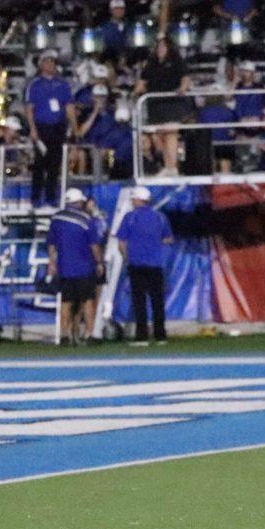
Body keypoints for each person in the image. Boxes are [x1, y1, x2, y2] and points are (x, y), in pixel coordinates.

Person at [115, 187, 173, 345]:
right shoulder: (160, 217)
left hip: (137, 264)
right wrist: (154, 244)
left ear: (138, 199)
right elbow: (168, 239)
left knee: (139, 301)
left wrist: (127, 258)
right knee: (157, 301)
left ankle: (142, 336)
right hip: (155, 265)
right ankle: (160, 335)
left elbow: (121, 243)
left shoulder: (130, 217)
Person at [46, 188, 103, 345]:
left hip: (65, 267)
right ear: (80, 202)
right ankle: (88, 334)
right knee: (88, 301)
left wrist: (51, 261)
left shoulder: (57, 218)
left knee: (66, 302)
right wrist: (99, 262)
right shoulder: (87, 219)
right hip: (84, 266)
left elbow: (51, 242)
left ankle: (65, 334)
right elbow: (94, 245)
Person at [26, 50, 75, 207]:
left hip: (57, 127)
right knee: (40, 163)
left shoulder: (62, 84)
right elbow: (29, 108)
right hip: (42, 127)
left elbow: (69, 106)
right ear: (41, 65)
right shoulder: (34, 85)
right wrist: (33, 129)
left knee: (54, 163)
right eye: (47, 62)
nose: (51, 65)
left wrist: (74, 127)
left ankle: (50, 196)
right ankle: (35, 197)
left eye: (53, 62)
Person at [135, 37, 191, 176]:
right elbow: (142, 82)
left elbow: (185, 78)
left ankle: (173, 167)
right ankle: (167, 165)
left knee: (171, 134)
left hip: (171, 103)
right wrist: (137, 91)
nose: (160, 49)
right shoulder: (151, 64)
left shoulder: (177, 61)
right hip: (155, 104)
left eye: (163, 47)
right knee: (160, 136)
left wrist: (182, 89)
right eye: (158, 47)